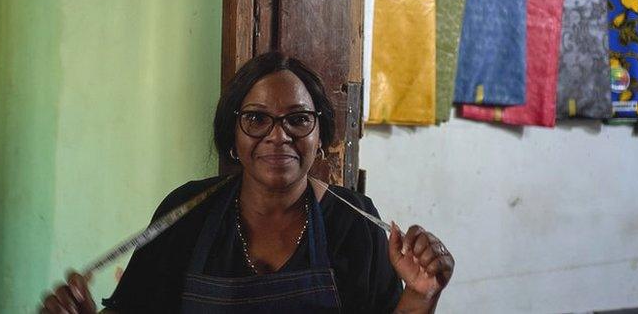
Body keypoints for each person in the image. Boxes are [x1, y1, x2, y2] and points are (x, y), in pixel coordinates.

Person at [42, 52, 454, 313]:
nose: (278, 136)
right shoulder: (187, 214)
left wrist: (421, 294)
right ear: (233, 138)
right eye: (256, 119)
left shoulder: (355, 222)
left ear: (319, 136)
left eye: (298, 119)